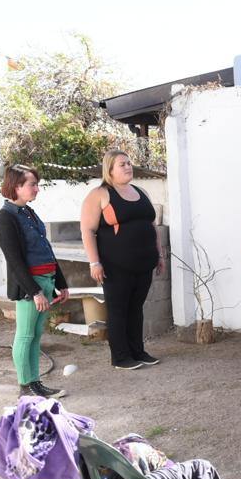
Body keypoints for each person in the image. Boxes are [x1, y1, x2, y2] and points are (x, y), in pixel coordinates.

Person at [80, 150, 164, 370]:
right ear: (109, 169)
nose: (128, 167)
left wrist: (160, 255)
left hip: (144, 263)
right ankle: (120, 357)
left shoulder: (141, 191)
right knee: (118, 310)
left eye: (129, 163)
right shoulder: (99, 194)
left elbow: (151, 226)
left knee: (136, 308)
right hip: (115, 265)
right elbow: (88, 230)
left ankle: (138, 351)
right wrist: (94, 262)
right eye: (122, 164)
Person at [0, 164, 69, 398]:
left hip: (45, 280)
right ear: (16, 186)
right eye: (32, 184)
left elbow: (46, 250)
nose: (37, 189)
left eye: (36, 184)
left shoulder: (28, 212)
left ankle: (35, 383)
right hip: (30, 286)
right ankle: (25, 386)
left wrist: (61, 282)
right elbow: (14, 260)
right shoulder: (5, 218)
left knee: (36, 335)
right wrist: (34, 291)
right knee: (25, 334)